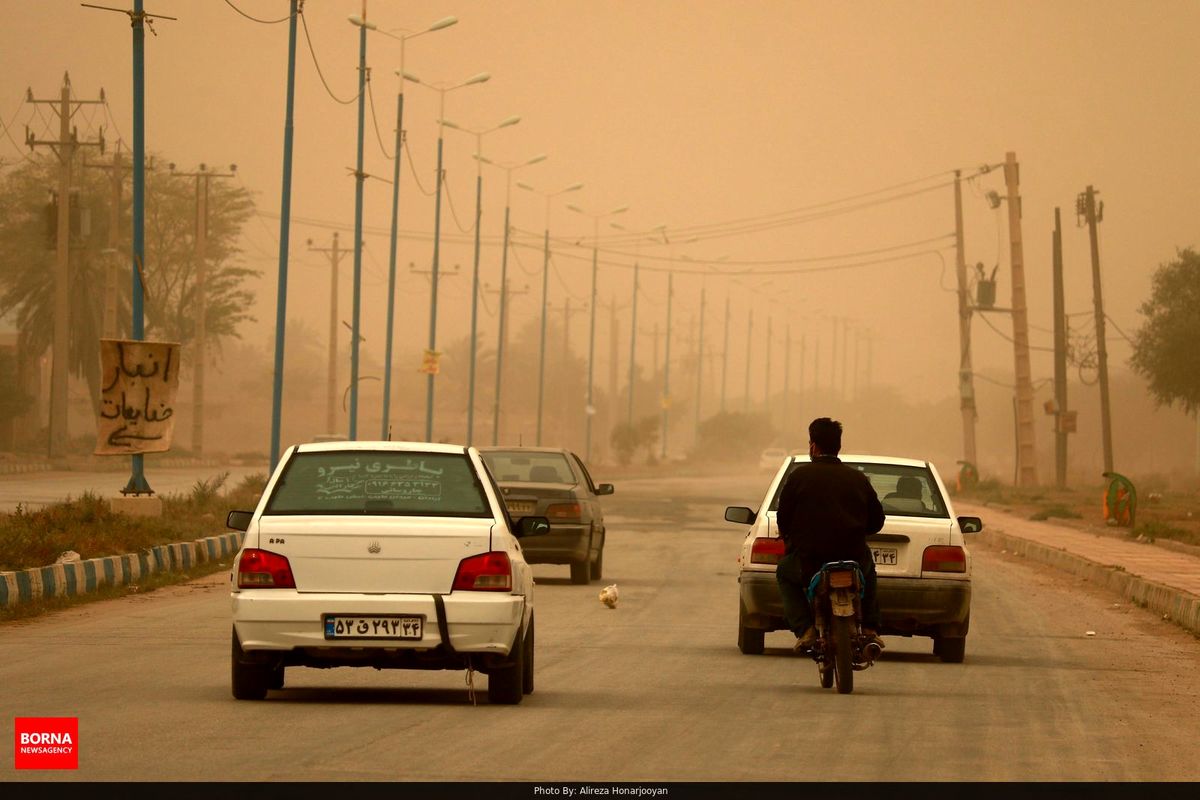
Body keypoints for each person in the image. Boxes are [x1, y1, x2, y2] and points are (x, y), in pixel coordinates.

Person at [775, 417, 885, 652]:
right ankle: (870, 629)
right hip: (853, 558)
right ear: (838, 446)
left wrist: (790, 538)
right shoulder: (857, 479)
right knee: (870, 571)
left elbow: (783, 519)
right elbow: (877, 521)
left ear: (813, 446)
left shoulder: (798, 477)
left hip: (809, 562)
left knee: (784, 572)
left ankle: (805, 629)